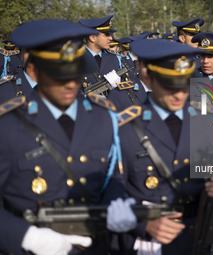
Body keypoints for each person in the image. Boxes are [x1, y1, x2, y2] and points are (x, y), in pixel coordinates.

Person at [0, 19, 138, 255]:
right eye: (59, 74)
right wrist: (24, 236)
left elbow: (112, 176)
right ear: (37, 70)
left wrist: (117, 201)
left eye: (76, 73)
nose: (71, 83)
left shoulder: (102, 118)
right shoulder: (8, 125)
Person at [112, 39, 213, 255]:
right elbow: (112, 192)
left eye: (184, 83)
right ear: (148, 77)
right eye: (169, 84)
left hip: (194, 238)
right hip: (145, 241)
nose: (179, 94)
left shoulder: (208, 121)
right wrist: (143, 224)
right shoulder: (124, 128)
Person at [78, 15, 121, 91]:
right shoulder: (77, 59)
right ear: (92, 37)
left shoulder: (113, 59)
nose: (111, 38)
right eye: (106, 34)